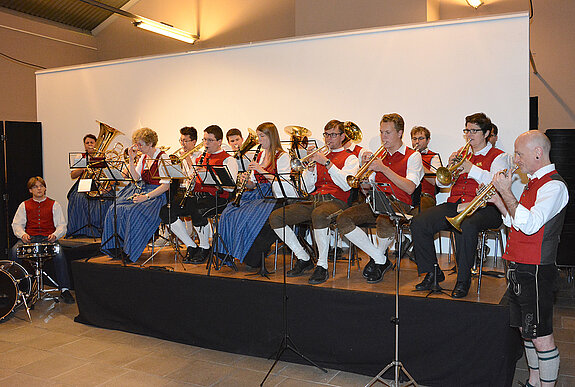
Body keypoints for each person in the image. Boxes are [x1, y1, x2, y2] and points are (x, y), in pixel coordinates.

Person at [490, 130, 568, 387]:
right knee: (527, 331)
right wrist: (501, 201)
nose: (516, 160)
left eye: (520, 154)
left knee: (542, 336)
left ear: (538, 152)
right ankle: (534, 382)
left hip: (536, 271)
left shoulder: (554, 186)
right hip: (521, 268)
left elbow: (532, 224)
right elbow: (518, 225)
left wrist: (508, 192)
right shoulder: (534, 182)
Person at [410, 112, 509, 298]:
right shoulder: (461, 154)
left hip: (487, 207)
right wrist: (449, 168)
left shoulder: (499, 157)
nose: (469, 135)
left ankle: (463, 280)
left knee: (466, 225)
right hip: (457, 204)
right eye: (467, 130)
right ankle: (433, 273)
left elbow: (497, 184)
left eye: (474, 131)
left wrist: (471, 168)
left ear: (487, 133)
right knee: (419, 222)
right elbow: (442, 184)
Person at [269, 119, 359, 285]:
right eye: (326, 135)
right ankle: (303, 257)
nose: (329, 139)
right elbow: (308, 188)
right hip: (314, 199)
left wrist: (326, 162)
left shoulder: (350, 158)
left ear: (342, 136)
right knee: (276, 217)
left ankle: (322, 266)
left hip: (337, 201)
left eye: (333, 135)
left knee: (319, 214)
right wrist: (310, 170)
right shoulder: (318, 157)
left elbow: (346, 185)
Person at [336, 114, 423, 283]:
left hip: (400, 203)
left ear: (400, 133)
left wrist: (383, 169)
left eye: (388, 132)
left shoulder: (412, 156)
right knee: (343, 219)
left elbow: (410, 187)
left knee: (384, 220)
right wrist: (365, 177)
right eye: (382, 132)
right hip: (376, 202)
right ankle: (380, 258)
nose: (383, 137)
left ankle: (378, 259)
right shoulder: (380, 156)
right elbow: (368, 188)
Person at [218, 122, 291, 267]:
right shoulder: (260, 155)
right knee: (229, 211)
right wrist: (245, 181)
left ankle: (248, 255)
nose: (259, 140)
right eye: (258, 136)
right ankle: (226, 252)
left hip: (273, 195)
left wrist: (261, 169)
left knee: (247, 216)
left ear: (271, 136)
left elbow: (283, 182)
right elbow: (253, 183)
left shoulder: (282, 156)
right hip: (257, 194)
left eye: (262, 136)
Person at [164, 125, 238, 264]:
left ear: (219, 141)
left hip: (217, 198)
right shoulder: (201, 158)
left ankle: (205, 247)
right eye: (204, 140)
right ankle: (191, 246)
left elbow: (229, 188)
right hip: (197, 196)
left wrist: (210, 177)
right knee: (167, 211)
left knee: (197, 210)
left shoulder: (228, 160)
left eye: (210, 140)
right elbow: (195, 179)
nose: (205, 143)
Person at [101, 127, 170, 263]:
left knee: (133, 212)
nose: (137, 147)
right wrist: (131, 160)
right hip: (141, 190)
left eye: (140, 144)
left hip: (156, 196)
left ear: (150, 144)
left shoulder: (163, 157)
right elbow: (136, 178)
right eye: (136, 144)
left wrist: (146, 197)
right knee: (114, 208)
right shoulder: (143, 158)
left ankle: (131, 250)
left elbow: (166, 186)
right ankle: (115, 247)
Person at [10, 177, 75, 304]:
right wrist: (22, 235)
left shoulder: (54, 205)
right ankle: (17, 289)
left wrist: (55, 235)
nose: (39, 189)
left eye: (41, 186)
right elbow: (16, 224)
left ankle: (65, 289)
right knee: (14, 252)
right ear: (30, 190)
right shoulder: (24, 205)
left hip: (48, 239)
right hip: (30, 238)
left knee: (60, 254)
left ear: (45, 188)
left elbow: (62, 225)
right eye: (35, 187)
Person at [66, 134, 112, 237]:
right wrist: (84, 167)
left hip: (99, 184)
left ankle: (102, 231)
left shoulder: (103, 157)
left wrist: (108, 185)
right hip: (84, 183)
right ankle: (80, 231)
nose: (90, 145)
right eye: (87, 143)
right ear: (84, 145)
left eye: (92, 142)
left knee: (109, 198)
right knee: (78, 198)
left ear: (96, 144)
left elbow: (109, 174)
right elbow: (73, 175)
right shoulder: (80, 157)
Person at [410, 126, 442, 212]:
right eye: (414, 139)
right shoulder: (407, 156)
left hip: (425, 197)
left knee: (417, 213)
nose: (417, 142)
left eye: (421, 138)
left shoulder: (433, 157)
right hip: (408, 195)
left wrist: (419, 164)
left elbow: (435, 182)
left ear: (428, 140)